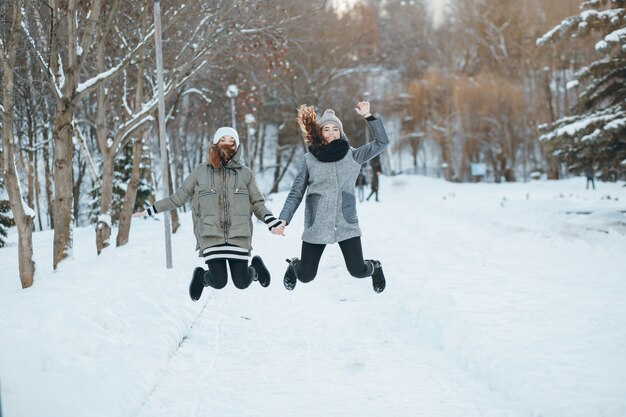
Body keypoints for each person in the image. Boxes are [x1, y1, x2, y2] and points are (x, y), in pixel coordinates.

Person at [133, 127, 283, 301]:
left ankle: (255, 269)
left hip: (239, 235)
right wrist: (150, 210)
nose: (227, 144)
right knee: (219, 282)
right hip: (211, 235)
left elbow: (257, 203)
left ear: (236, 145)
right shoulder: (201, 172)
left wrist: (271, 220)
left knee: (241, 282)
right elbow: (177, 198)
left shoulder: (245, 174)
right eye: (222, 140)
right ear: (215, 143)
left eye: (231, 140)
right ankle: (201, 277)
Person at [274, 101, 388, 293]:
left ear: (341, 132)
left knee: (358, 271)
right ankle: (295, 265)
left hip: (346, 222)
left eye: (335, 129)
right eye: (326, 129)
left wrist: (368, 116)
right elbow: (296, 192)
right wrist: (283, 219)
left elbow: (381, 142)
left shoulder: (353, 156)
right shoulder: (309, 160)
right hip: (317, 223)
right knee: (306, 276)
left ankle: (374, 267)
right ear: (320, 132)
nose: (332, 133)